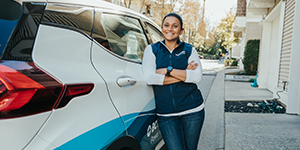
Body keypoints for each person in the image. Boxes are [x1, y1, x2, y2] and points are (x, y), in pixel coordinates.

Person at [142, 13, 205, 150]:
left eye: (175, 26)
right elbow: (150, 78)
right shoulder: (152, 50)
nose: (170, 29)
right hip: (166, 114)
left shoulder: (189, 50)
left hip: (193, 110)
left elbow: (196, 77)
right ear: (162, 27)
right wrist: (183, 75)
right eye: (166, 25)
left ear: (181, 30)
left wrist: (168, 70)